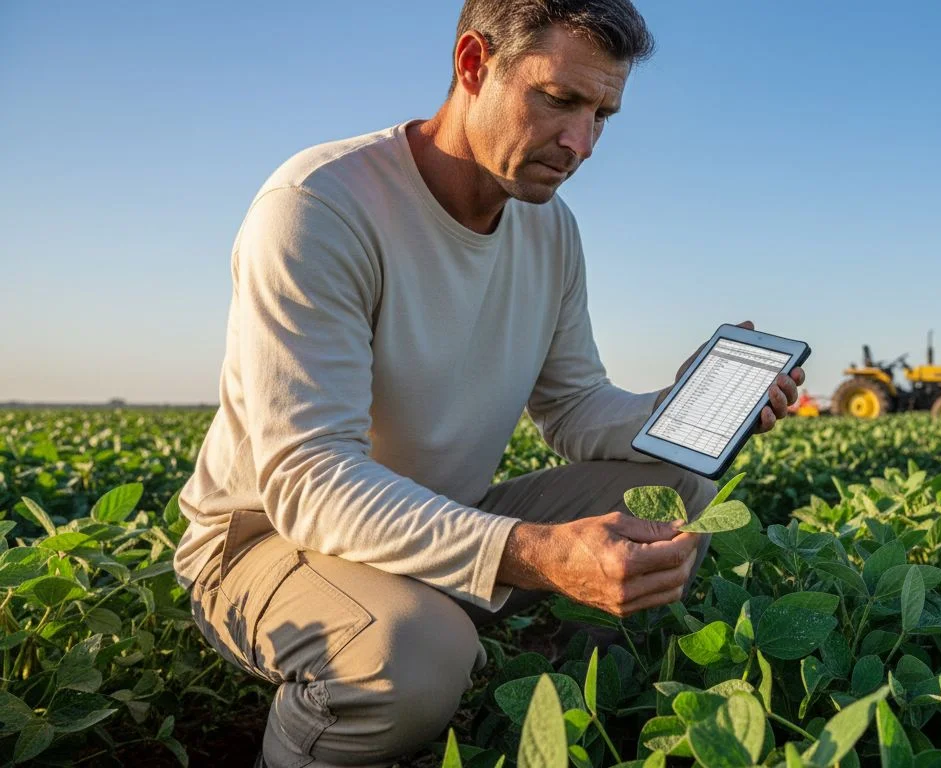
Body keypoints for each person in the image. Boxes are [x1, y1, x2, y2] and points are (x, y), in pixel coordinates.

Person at [171, 1, 806, 765]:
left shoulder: (551, 228)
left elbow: (574, 407)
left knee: (672, 490)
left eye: (603, 113)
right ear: (473, 64)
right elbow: (311, 482)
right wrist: (536, 552)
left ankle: (552, 711)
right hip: (266, 541)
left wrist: (685, 405)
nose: (582, 143)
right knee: (414, 656)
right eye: (559, 99)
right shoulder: (320, 207)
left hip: (441, 515)